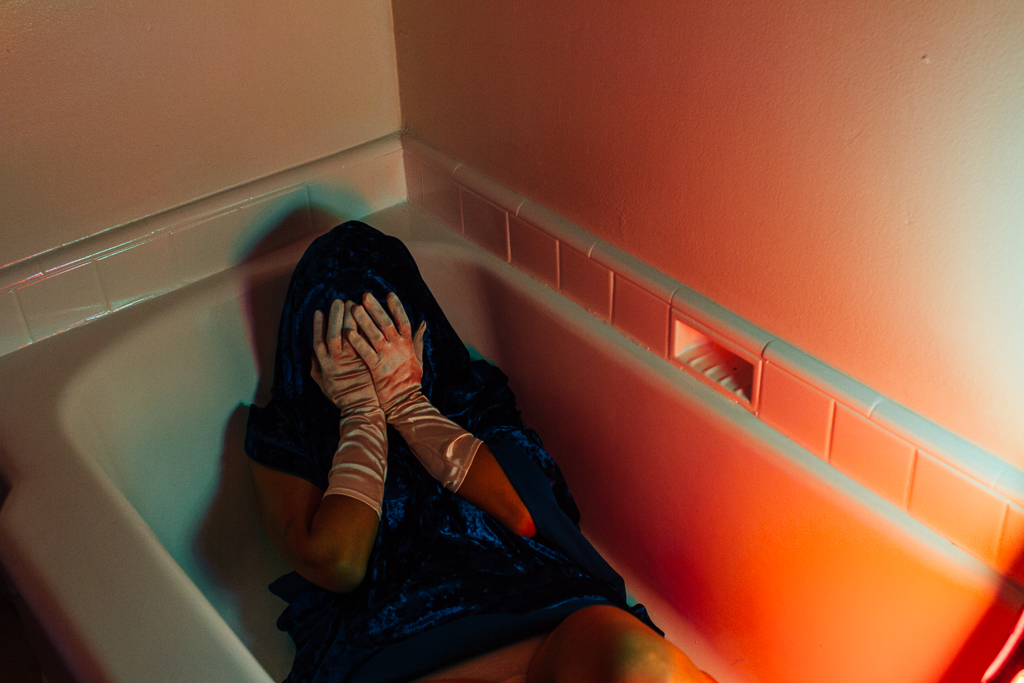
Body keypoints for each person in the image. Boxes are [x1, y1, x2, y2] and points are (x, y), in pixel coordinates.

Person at [245, 222, 718, 683]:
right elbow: (340, 564)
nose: (368, 351)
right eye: (346, 337)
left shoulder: (467, 395)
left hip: (537, 607)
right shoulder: (287, 439)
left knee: (650, 668)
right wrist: (361, 419)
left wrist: (409, 407)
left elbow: (525, 514)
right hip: (401, 650)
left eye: (382, 327)